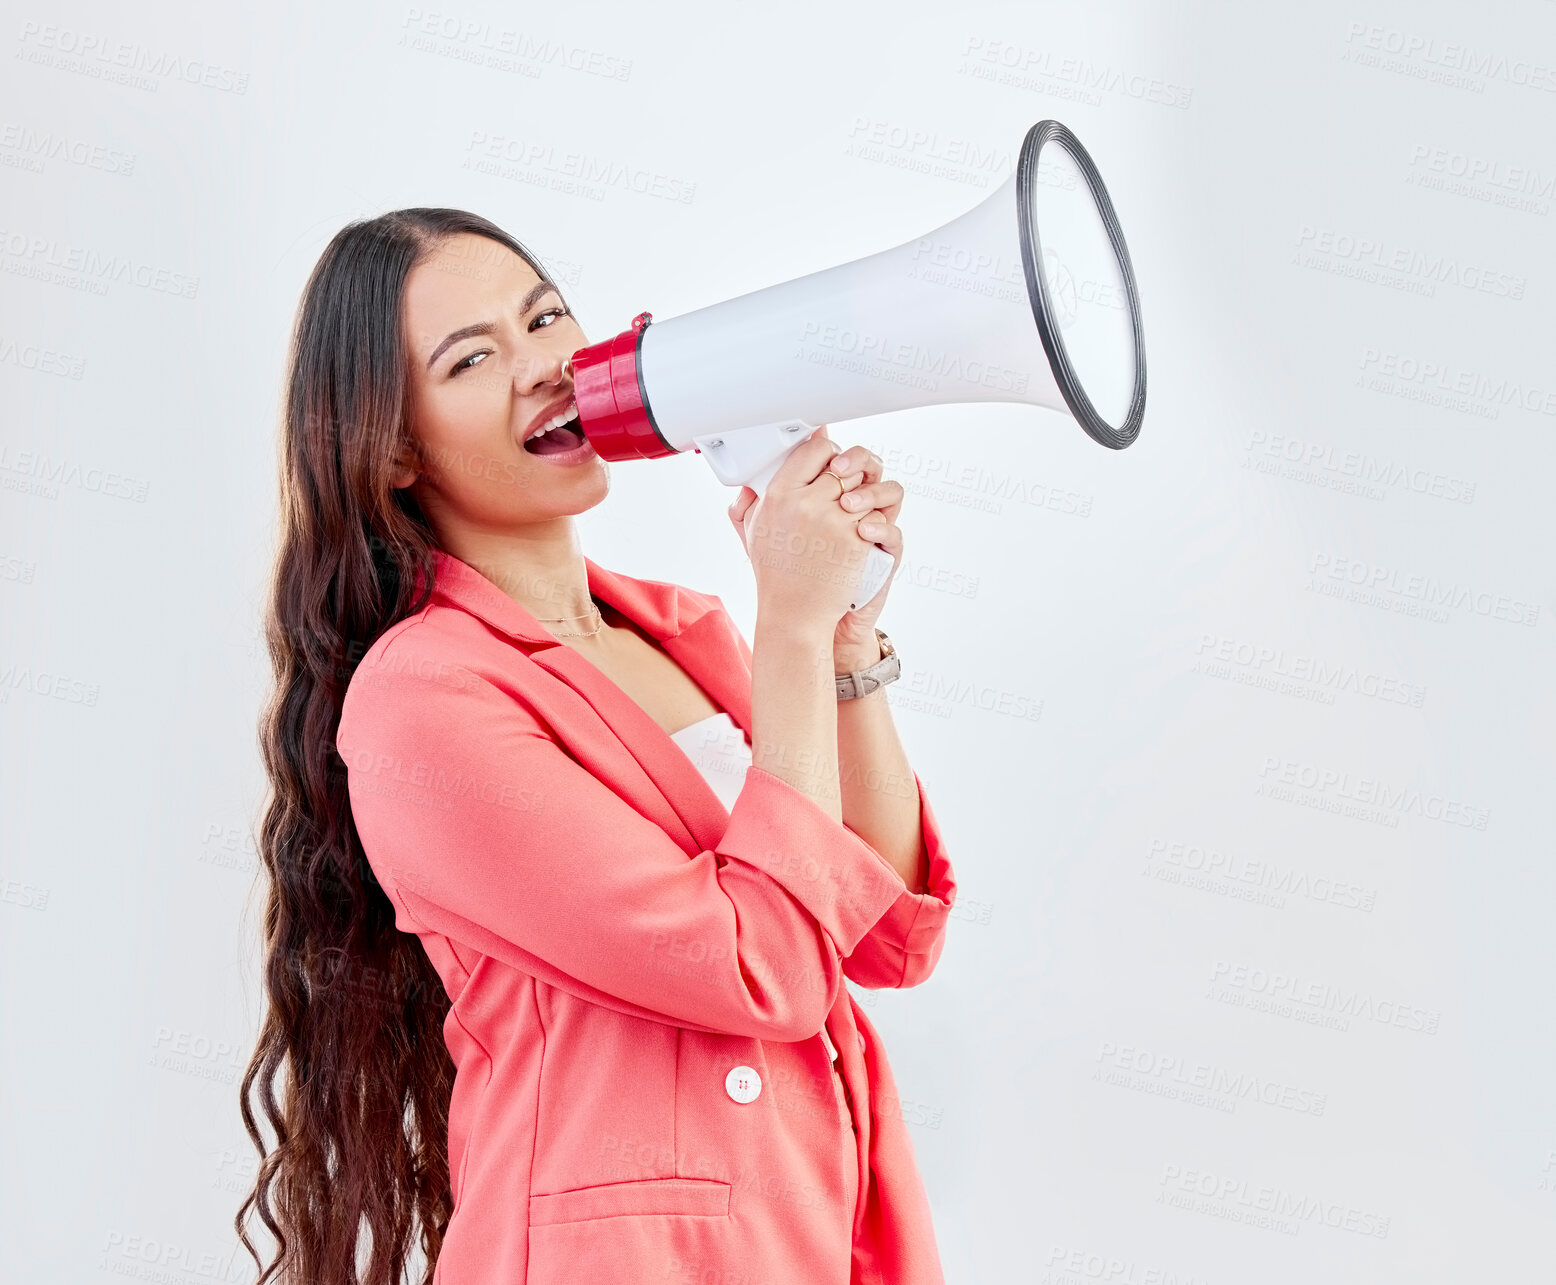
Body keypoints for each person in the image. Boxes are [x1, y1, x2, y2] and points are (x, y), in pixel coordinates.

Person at [237, 207, 959, 1285]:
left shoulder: (685, 629)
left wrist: (841, 646)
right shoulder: (420, 702)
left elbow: (882, 930)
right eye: (474, 357)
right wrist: (794, 629)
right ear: (391, 446)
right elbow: (754, 968)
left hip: (803, 1230)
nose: (543, 368)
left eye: (546, 320)